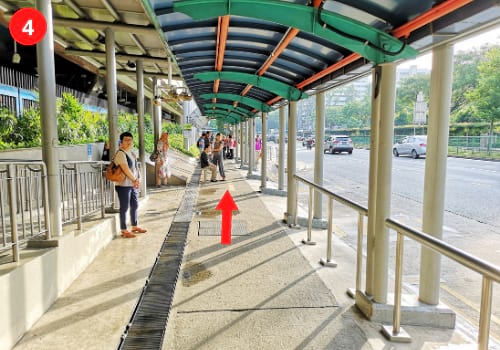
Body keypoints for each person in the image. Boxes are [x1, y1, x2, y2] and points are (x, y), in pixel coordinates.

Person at [114, 132, 146, 238]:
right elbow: (125, 169)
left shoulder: (132, 153)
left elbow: (136, 168)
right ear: (121, 142)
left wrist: (139, 178)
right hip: (123, 185)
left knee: (135, 205)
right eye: (126, 140)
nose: (128, 142)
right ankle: (123, 230)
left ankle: (134, 226)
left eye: (130, 140)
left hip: (132, 184)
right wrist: (135, 180)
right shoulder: (120, 153)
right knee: (124, 207)